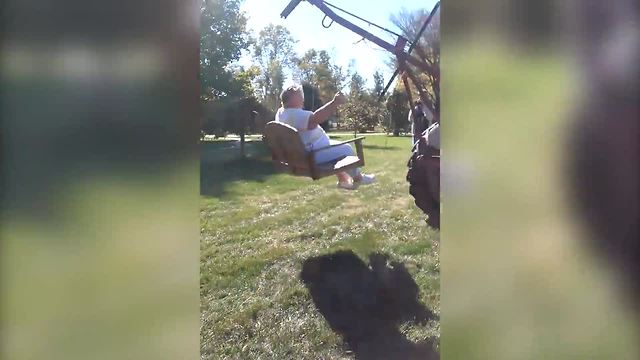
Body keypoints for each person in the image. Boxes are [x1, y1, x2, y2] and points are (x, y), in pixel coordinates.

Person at [275, 85, 375, 190]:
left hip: (304, 153)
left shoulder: (281, 113)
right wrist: (334, 103)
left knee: (336, 148)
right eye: (300, 97)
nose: (303, 100)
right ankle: (358, 178)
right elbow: (314, 120)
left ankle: (343, 180)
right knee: (346, 149)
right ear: (293, 98)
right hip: (311, 155)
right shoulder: (293, 114)